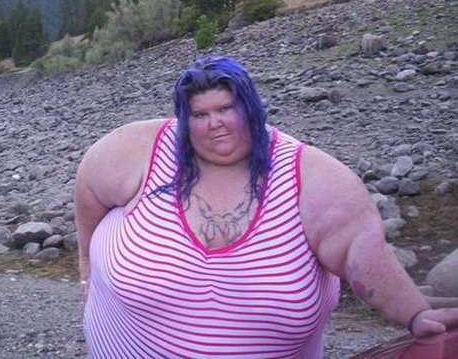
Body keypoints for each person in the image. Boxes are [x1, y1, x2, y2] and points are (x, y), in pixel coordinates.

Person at [75, 55, 458, 358]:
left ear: (251, 108)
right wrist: (85, 267)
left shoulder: (313, 177)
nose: (214, 123)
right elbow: (89, 192)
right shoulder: (135, 149)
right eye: (200, 115)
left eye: (226, 108)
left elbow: (361, 252)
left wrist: (415, 314)